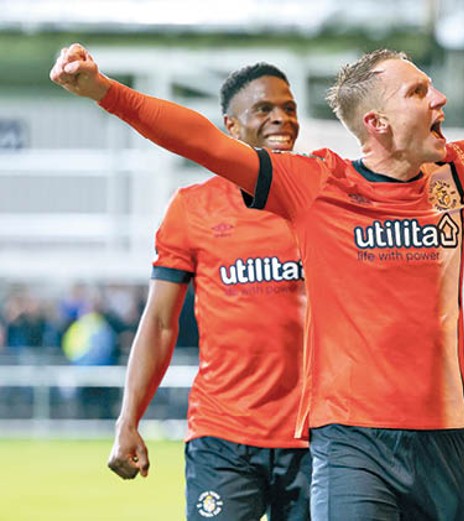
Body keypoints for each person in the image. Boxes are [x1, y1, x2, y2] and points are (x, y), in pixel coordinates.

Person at [51, 24, 464, 520]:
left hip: (446, 440)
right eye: (419, 91)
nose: (440, 98)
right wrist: (104, 91)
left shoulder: (460, 175)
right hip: (349, 441)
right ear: (378, 123)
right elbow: (199, 139)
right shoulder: (315, 185)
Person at [104, 63, 311, 521]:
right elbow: (160, 323)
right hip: (223, 435)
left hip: (316, 435)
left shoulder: (322, 199)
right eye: (264, 108)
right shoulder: (192, 208)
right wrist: (128, 420)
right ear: (231, 127)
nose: (281, 118)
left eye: (289, 108)